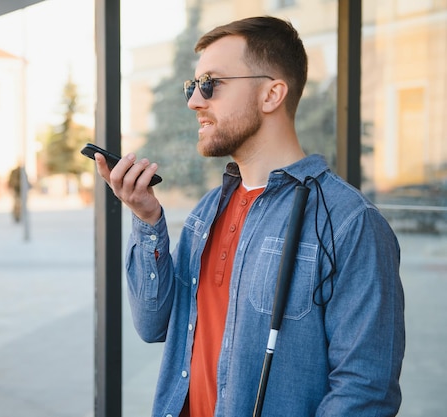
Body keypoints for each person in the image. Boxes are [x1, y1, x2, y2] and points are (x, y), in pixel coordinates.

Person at [93, 16, 405, 417]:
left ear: (272, 94)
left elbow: (366, 391)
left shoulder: (350, 223)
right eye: (193, 86)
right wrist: (146, 218)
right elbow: (153, 325)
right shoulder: (207, 212)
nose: (194, 101)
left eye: (210, 84)